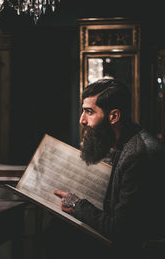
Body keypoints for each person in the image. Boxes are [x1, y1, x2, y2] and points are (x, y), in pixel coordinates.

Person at [42, 78, 165, 259]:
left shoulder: (137, 155)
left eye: (89, 112)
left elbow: (121, 231)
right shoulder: (125, 142)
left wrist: (77, 204)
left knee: (57, 236)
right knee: (57, 229)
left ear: (114, 116)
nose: (82, 120)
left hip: (136, 250)